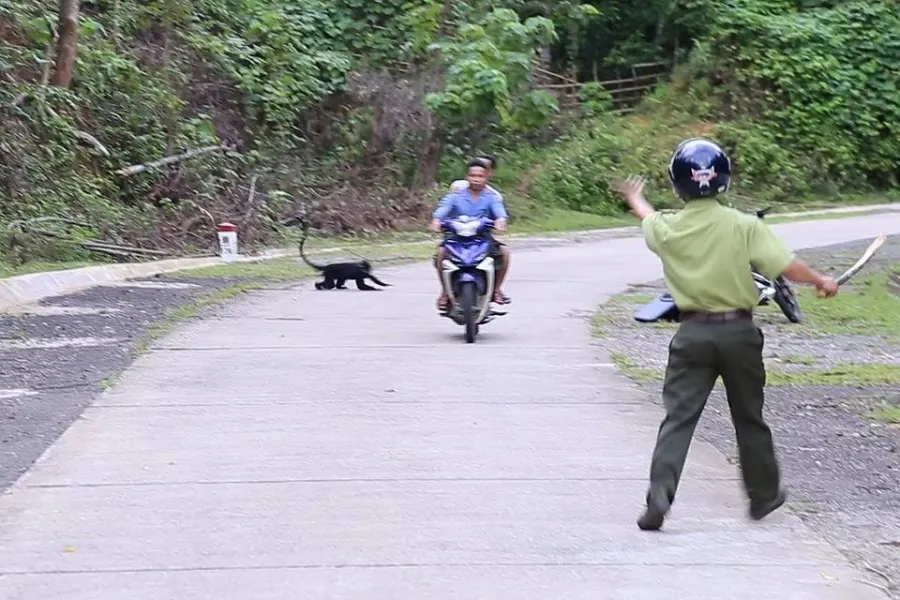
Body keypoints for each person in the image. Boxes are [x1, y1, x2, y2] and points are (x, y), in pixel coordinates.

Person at [612, 137, 839, 532]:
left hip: (692, 334)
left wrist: (635, 196)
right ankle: (763, 495)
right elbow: (786, 265)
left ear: (677, 183)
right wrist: (821, 280)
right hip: (738, 331)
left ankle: (659, 497)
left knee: (678, 419)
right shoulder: (744, 225)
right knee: (749, 417)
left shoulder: (668, 227)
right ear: (724, 180)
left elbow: (647, 217)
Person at [430, 158, 511, 311]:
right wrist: (436, 220)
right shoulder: (455, 196)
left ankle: (497, 289)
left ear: (486, 177)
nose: (476, 179)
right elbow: (442, 209)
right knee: (441, 253)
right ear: (467, 177)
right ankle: (445, 292)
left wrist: (501, 220)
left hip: (482, 237)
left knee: (504, 252)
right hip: (456, 237)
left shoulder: (491, 197)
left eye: (480, 176)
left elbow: (500, 212)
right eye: (473, 176)